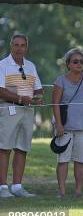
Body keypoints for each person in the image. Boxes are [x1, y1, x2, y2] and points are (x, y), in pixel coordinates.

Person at [51, 48, 83, 198]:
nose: (79, 64)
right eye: (75, 61)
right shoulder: (60, 81)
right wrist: (59, 125)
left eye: (81, 61)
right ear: (68, 64)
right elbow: (55, 104)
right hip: (65, 127)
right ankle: (61, 192)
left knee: (80, 160)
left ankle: (78, 191)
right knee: (63, 160)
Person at [0, 33, 43, 198]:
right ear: (11, 46)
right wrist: (19, 98)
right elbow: (0, 91)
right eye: (16, 45)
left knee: (22, 148)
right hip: (8, 109)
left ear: (26, 47)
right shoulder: (2, 65)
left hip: (27, 111)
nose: (19, 48)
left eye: (22, 45)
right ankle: (3, 187)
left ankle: (17, 186)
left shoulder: (31, 66)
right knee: (4, 148)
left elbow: (38, 88)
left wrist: (38, 97)